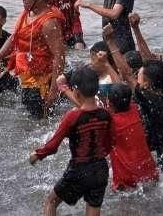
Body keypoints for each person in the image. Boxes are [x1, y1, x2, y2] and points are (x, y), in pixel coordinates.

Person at [29, 66, 112, 216]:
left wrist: (37, 154)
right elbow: (109, 143)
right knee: (93, 209)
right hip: (101, 169)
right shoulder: (105, 114)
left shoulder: (72, 117)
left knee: (51, 202)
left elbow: (53, 146)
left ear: (76, 92)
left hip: (79, 169)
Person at [105, 18, 163, 170]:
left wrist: (110, 42)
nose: (137, 78)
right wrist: (136, 29)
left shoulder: (148, 97)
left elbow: (127, 74)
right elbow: (151, 63)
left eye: (140, 76)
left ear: (147, 83)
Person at [0, 0, 66, 118]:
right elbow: (15, 36)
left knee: (40, 118)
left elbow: (59, 56)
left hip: (42, 79)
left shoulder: (49, 23)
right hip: (27, 74)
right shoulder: (28, 12)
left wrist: (54, 91)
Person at [107, 83, 159, 190]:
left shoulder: (111, 122)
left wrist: (65, 90)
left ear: (110, 103)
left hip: (126, 182)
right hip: (150, 173)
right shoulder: (135, 110)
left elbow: (87, 109)